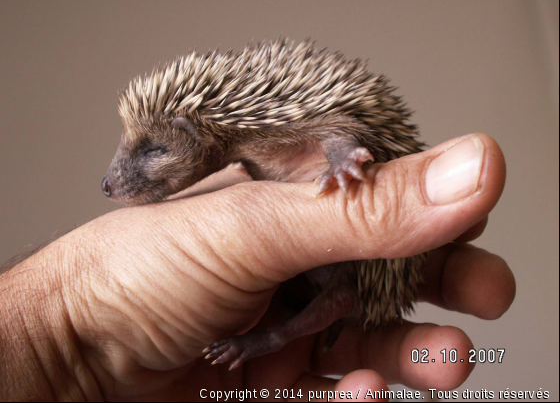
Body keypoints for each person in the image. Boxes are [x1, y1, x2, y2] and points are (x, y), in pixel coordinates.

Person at [0, 134, 515, 401]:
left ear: (185, 132)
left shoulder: (279, 129)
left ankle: (277, 335)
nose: (114, 181)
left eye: (148, 151)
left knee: (345, 293)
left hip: (351, 276)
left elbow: (340, 129)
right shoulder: (238, 162)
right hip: (298, 286)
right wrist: (59, 332)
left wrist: (344, 159)